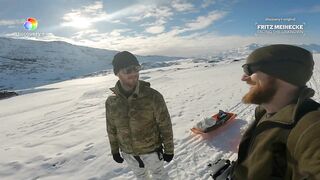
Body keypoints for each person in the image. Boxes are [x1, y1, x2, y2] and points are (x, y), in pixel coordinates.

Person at [231, 44, 320, 180]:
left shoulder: (312, 127)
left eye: (249, 70)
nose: (244, 78)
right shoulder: (265, 113)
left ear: (279, 74)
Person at [105, 51, 174, 180]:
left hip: (151, 151)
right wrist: (115, 150)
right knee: (140, 176)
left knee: (159, 175)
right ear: (117, 73)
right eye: (128, 70)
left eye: (136, 68)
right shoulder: (111, 102)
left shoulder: (153, 96)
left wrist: (169, 149)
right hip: (128, 153)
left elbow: (165, 124)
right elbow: (111, 128)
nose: (134, 73)